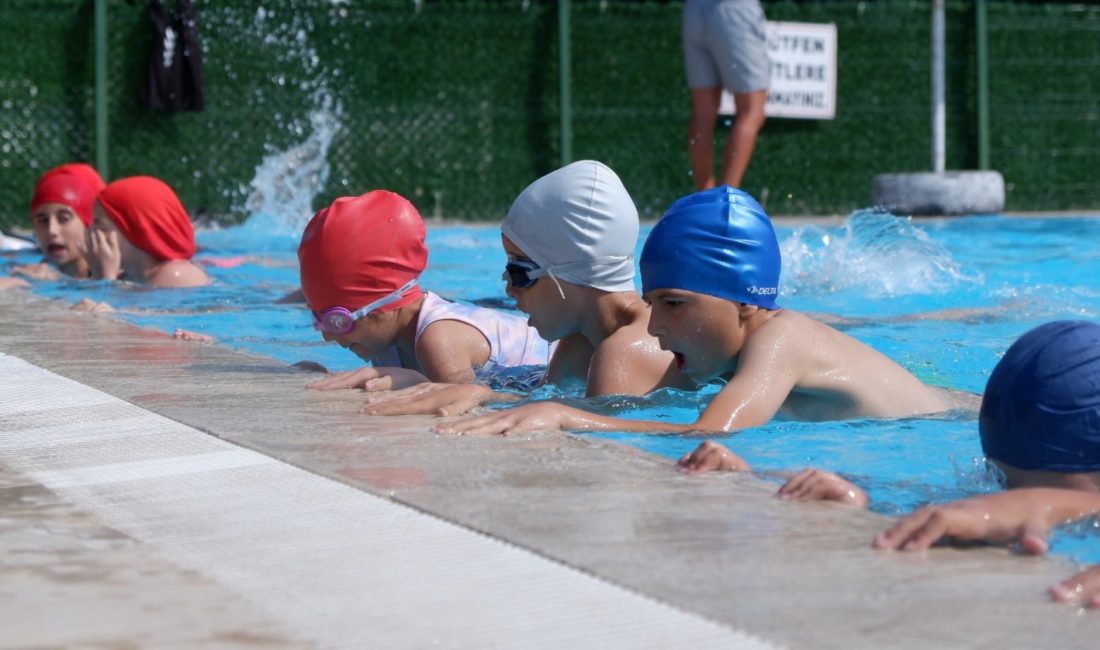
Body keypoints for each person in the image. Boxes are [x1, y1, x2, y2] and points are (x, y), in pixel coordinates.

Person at [412, 185, 970, 434]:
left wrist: (565, 416)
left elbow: (709, 432)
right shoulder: (721, 356)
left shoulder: (784, 339)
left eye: (675, 304)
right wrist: (482, 392)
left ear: (748, 301)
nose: (654, 328)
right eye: (654, 303)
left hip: (967, 417)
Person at [359, 160, 693, 415]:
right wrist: (428, 384)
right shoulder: (580, 341)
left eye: (519, 272)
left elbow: (590, 441)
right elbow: (544, 402)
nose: (508, 289)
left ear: (569, 273)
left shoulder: (621, 353)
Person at [297, 190, 552, 390]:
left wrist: (417, 383)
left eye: (337, 321)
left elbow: (473, 404)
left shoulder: (438, 341)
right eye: (318, 319)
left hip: (558, 362)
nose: (327, 337)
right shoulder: (382, 337)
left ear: (384, 305)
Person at [683, 0, 770, 190]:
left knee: (702, 111)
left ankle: (704, 197)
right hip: (735, 9)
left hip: (694, 8)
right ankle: (726, 197)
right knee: (752, 110)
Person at [89, 176, 209, 288]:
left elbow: (113, 309)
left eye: (100, 227)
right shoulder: (128, 278)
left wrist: (106, 279)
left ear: (134, 231)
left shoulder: (176, 274)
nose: (90, 232)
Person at [13, 163, 106, 280]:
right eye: (43, 220)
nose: (51, 230)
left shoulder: (117, 279)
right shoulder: (29, 273)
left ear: (89, 224)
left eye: (63, 219)